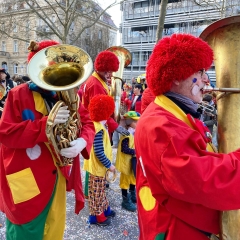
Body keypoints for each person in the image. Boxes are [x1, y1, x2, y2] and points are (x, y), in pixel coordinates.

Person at [134, 33, 240, 240]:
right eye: (200, 72)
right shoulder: (161, 125)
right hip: (179, 230)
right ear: (175, 75)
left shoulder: (171, 114)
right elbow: (206, 180)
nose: (205, 79)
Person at [0, 40, 95, 240]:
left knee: (54, 230)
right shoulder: (18, 95)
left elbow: (87, 123)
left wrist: (82, 142)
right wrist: (45, 126)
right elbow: (5, 133)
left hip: (57, 178)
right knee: (25, 233)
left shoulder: (69, 95)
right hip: (27, 178)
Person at [80, 50, 130, 197]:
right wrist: (117, 127)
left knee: (97, 158)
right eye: (107, 71)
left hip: (99, 124)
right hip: (96, 125)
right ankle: (91, 193)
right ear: (100, 67)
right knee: (95, 159)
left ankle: (95, 189)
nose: (110, 74)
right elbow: (99, 112)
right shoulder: (95, 84)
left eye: (111, 71)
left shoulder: (99, 80)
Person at [83, 94, 116, 226]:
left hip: (98, 168)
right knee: (96, 193)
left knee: (100, 191)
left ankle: (105, 209)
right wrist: (109, 165)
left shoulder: (98, 125)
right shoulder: (99, 129)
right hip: (98, 168)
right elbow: (98, 151)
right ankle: (97, 217)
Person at [116, 111, 140, 212]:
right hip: (126, 163)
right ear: (130, 122)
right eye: (136, 122)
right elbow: (124, 149)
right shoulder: (127, 134)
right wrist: (136, 152)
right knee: (125, 182)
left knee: (133, 179)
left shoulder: (134, 133)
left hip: (132, 162)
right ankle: (125, 199)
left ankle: (132, 194)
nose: (138, 124)